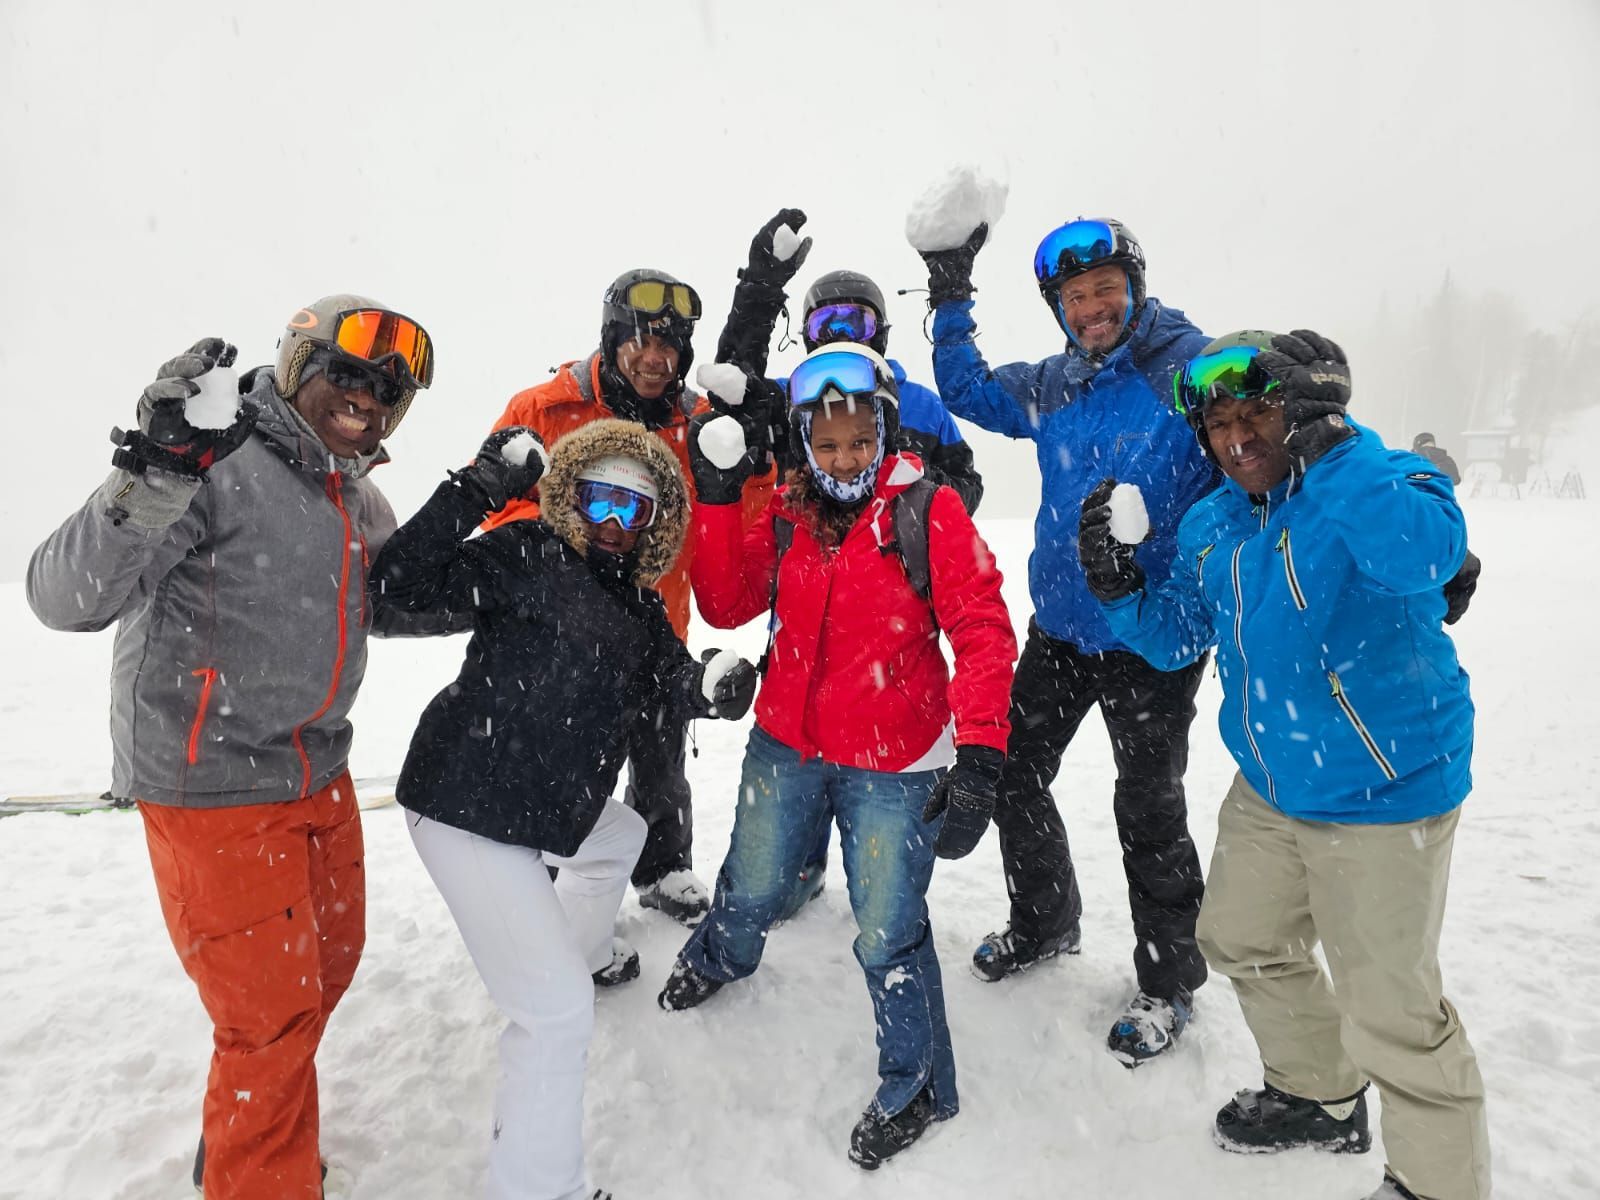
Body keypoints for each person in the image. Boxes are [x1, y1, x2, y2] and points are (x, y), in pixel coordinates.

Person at [27, 296, 437, 1198]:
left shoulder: (356, 494)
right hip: (211, 779)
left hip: (317, 770)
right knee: (268, 1017)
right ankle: (262, 1178)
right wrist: (156, 471)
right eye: (348, 372)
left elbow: (405, 598)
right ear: (297, 364)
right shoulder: (216, 462)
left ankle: (250, 1133)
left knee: (324, 972)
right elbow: (65, 597)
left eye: (387, 389)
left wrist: (510, 541)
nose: (364, 398)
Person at [1080, 329, 1491, 1200]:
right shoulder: (1212, 523)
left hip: (1386, 791)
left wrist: (1335, 448)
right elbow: (1182, 636)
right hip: (1273, 785)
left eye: (1256, 412)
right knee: (1242, 938)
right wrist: (1122, 594)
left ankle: (1436, 1185)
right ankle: (1319, 1095)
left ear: (1298, 407)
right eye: (1220, 424)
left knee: (1395, 1015)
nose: (1238, 439)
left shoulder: (1373, 475)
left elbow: (1425, 553)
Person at [371, 417, 756, 1200]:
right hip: (467, 806)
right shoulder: (522, 556)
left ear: (653, 524)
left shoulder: (640, 608)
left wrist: (710, 684)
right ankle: (540, 1188)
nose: (615, 522)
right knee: (554, 1018)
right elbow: (393, 593)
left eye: (634, 508)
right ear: (572, 499)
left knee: (622, 836)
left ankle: (573, 949)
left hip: (543, 804)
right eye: (601, 499)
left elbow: (671, 677)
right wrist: (477, 488)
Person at [656, 343, 1018, 1169]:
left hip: (897, 759)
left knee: (888, 927)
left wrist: (983, 755)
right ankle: (723, 954)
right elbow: (727, 600)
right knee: (749, 879)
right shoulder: (785, 508)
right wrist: (718, 500)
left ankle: (919, 1082)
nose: (844, 459)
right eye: (826, 444)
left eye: (860, 441)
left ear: (886, 432)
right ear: (803, 442)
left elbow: (983, 632)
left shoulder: (930, 512)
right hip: (787, 739)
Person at [916, 217, 1217, 1064]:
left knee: (1148, 804)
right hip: (1061, 629)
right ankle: (1045, 921)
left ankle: (1167, 982)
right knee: (1013, 771)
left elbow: (1276, 416)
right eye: (1074, 297)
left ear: (1136, 287)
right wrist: (949, 293)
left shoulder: (1188, 368)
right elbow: (967, 388)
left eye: (1105, 290)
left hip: (1155, 635)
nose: (1092, 309)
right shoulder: (1056, 381)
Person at [708, 209, 988, 915]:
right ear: (804, 333)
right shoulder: (792, 398)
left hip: (888, 605)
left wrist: (912, 518)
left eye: (856, 323)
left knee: (857, 750)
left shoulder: (915, 402)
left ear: (881, 334)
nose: (839, 335)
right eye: (827, 320)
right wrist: (760, 287)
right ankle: (797, 871)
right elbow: (730, 388)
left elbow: (966, 478)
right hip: (803, 599)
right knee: (800, 751)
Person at [483, 270, 772, 929]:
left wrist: (756, 466)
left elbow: (742, 524)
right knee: (564, 772)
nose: (656, 358)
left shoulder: (700, 423)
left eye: (671, 348)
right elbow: (495, 508)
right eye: (643, 341)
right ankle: (548, 896)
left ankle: (665, 868)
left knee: (661, 760)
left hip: (658, 632)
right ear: (614, 338)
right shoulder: (543, 409)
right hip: (563, 643)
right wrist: (567, 555)